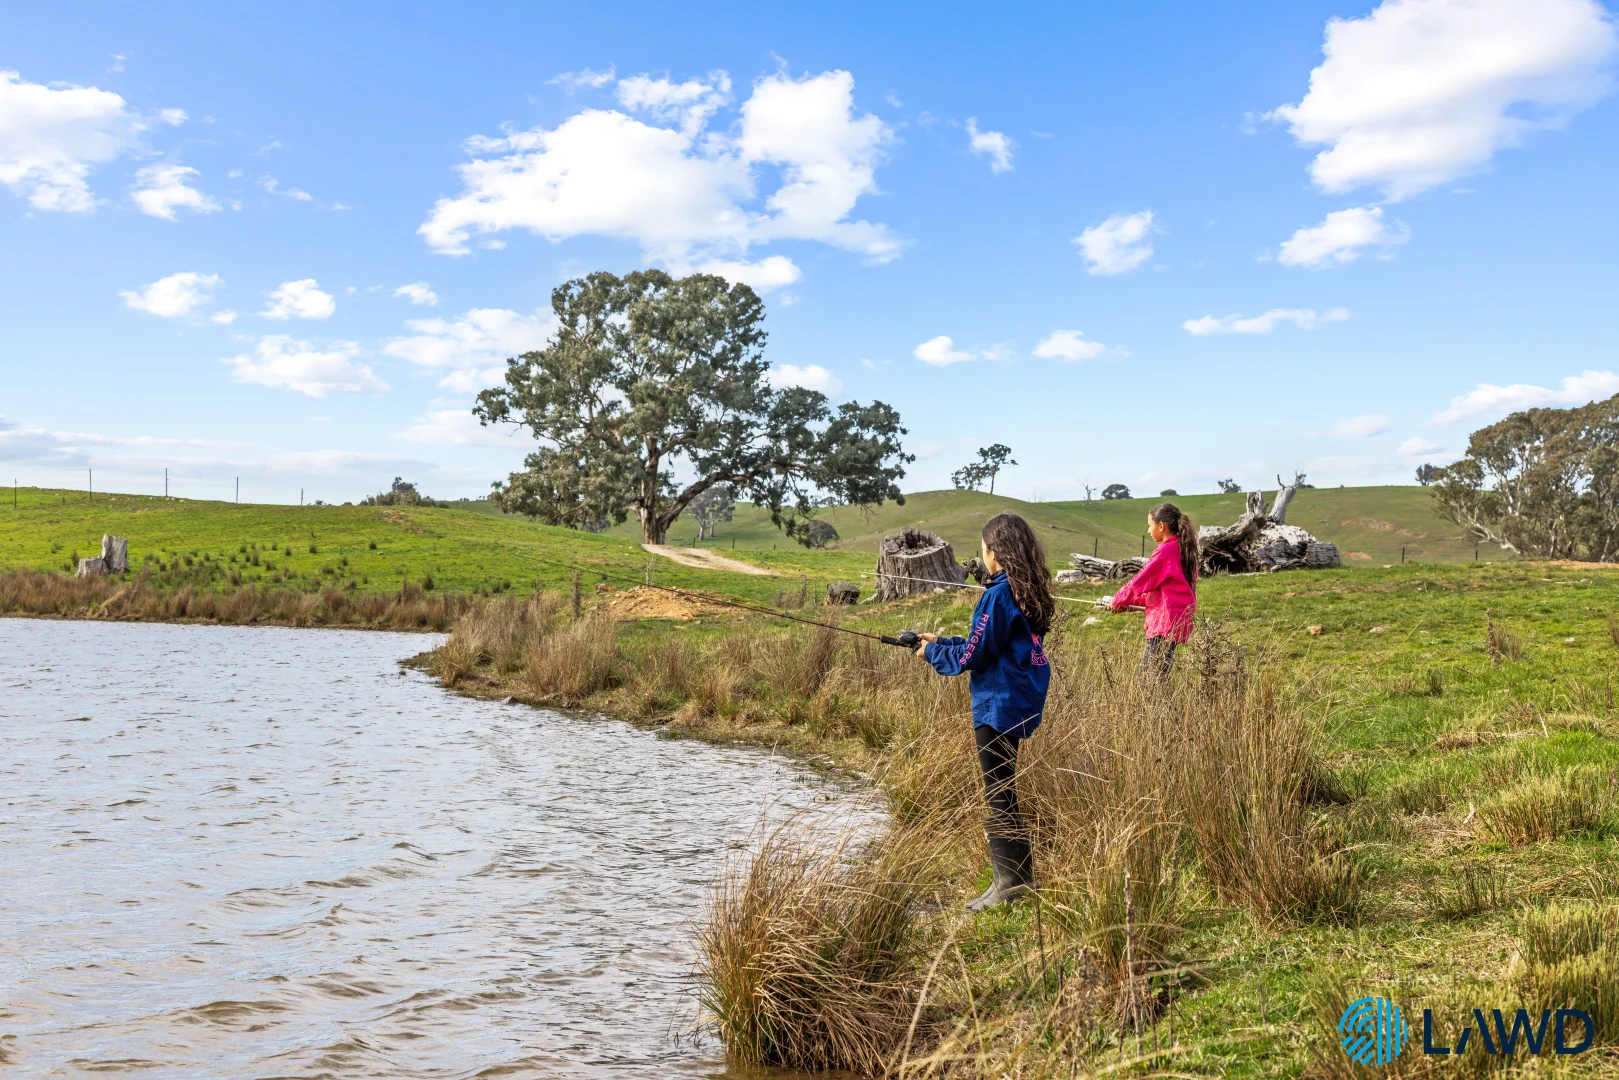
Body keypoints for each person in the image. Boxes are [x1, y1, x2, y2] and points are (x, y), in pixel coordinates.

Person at [914, 513, 1054, 911]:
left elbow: (975, 654)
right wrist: (944, 641)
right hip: (1016, 699)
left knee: (998, 792)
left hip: (996, 705)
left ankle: (1010, 885)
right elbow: (991, 643)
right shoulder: (1025, 588)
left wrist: (932, 653)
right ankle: (1016, 879)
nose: (983, 554)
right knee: (1004, 789)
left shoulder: (997, 594)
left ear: (994, 551)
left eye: (983, 547)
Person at [1105, 502, 1198, 675]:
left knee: (1149, 679)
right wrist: (1126, 604)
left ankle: (1157, 703)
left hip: (1164, 623)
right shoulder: (1183, 548)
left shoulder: (1166, 550)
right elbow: (1160, 593)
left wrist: (1117, 600)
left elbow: (1139, 582)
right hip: (1176, 621)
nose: (1148, 531)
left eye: (1150, 525)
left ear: (1161, 526)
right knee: (1156, 675)